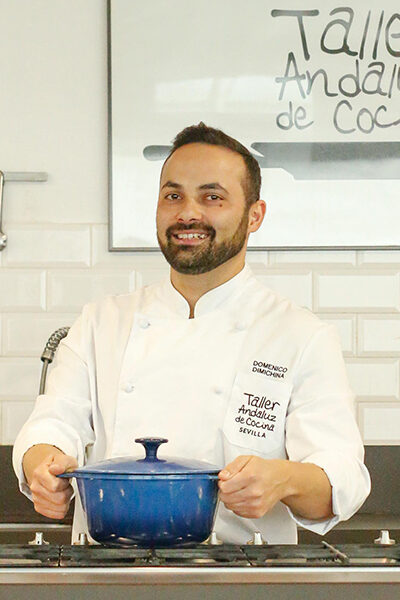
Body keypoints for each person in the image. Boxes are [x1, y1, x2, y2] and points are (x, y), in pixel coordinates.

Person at [13, 123, 370, 544]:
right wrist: (43, 465)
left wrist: (283, 479)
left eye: (212, 197)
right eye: (173, 196)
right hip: (109, 571)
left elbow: (342, 477)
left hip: (245, 573)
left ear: (255, 215)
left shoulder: (300, 335)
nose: (188, 214)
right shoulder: (100, 322)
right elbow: (52, 424)